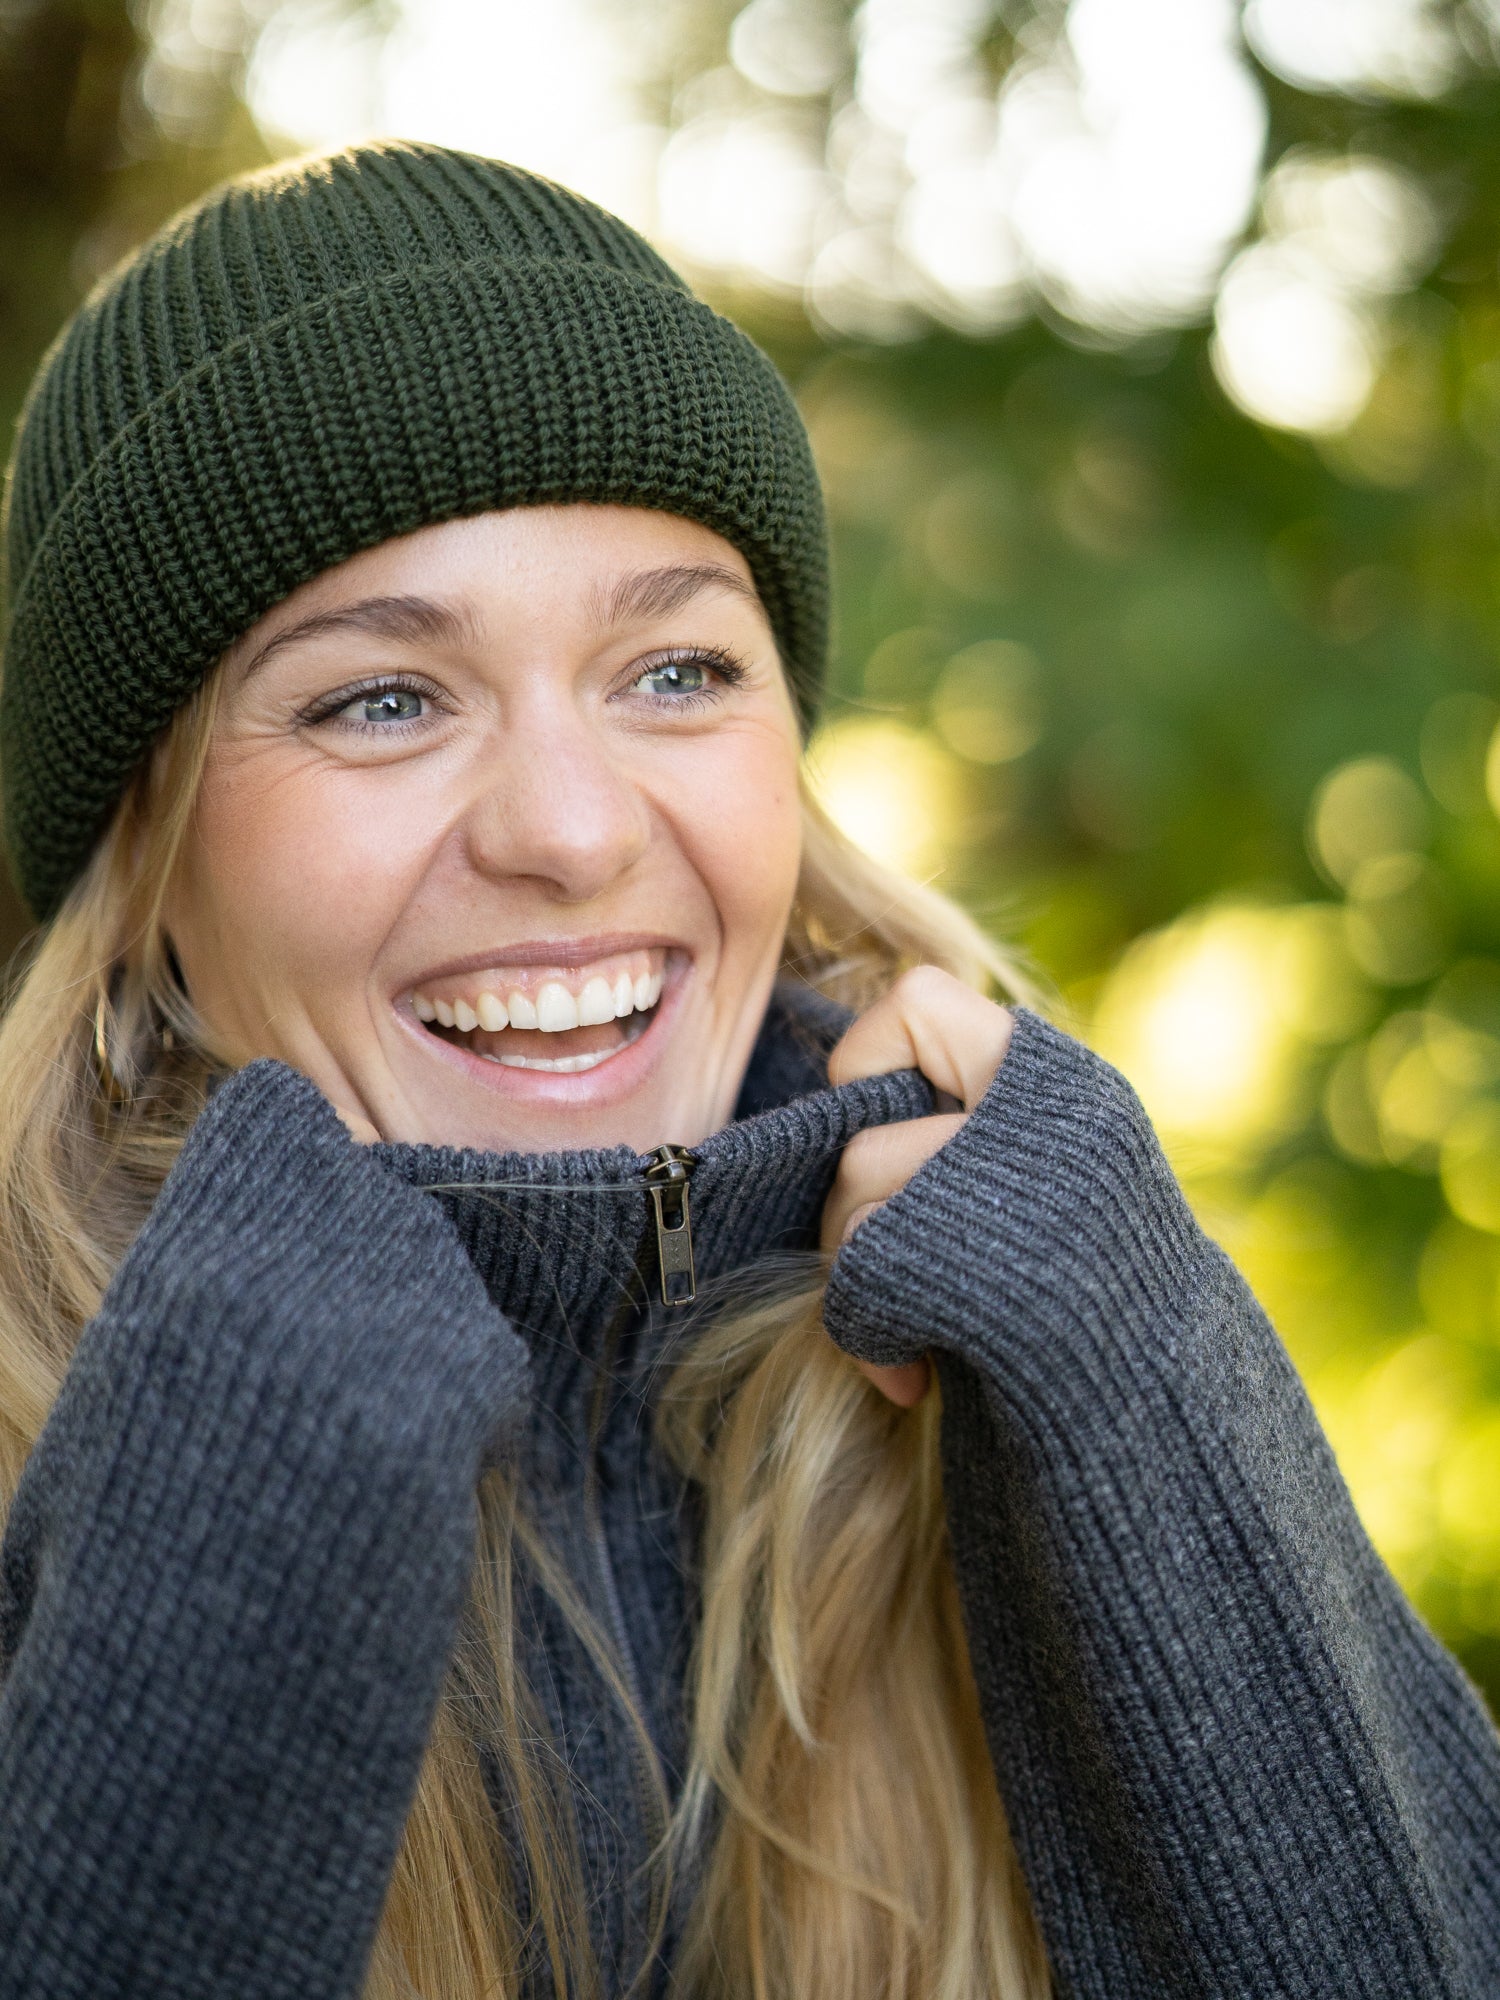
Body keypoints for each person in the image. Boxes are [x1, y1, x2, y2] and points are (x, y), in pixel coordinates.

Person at [0, 141, 1494, 2000]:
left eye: (677, 670)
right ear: (141, 870)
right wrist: (232, 1516)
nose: (567, 829)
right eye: (382, 699)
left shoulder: (1003, 1356)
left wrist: (1140, 1393)